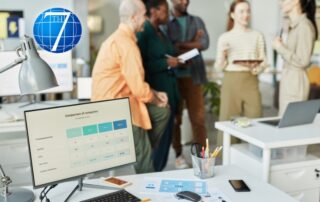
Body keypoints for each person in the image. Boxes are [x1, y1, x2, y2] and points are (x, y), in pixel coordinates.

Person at [91, 0, 170, 174]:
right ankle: (144, 163)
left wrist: (155, 94)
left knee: (163, 112)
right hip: (116, 109)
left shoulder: (117, 39)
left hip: (115, 103)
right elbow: (139, 90)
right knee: (161, 109)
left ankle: (142, 149)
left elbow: (132, 83)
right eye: (144, 15)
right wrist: (157, 99)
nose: (147, 19)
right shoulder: (126, 45)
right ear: (134, 18)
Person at [215, 0, 268, 145]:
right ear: (232, 14)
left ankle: (255, 157)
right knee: (228, 122)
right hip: (231, 81)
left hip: (251, 80)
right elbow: (219, 67)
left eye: (248, 11)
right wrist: (222, 54)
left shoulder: (257, 35)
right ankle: (228, 159)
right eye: (241, 11)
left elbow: (264, 61)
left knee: (256, 120)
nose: (246, 15)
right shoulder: (224, 38)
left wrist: (254, 68)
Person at [137, 0, 181, 171]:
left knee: (166, 140)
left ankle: (157, 175)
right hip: (156, 94)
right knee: (157, 144)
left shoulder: (160, 32)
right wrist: (165, 63)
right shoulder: (144, 32)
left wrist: (174, 61)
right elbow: (140, 66)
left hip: (170, 91)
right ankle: (150, 179)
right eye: (165, 10)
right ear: (153, 10)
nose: (168, 13)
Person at [166, 0, 209, 169]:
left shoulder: (197, 20)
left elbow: (204, 44)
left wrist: (181, 45)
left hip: (194, 76)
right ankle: (178, 154)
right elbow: (168, 47)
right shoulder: (165, 23)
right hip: (173, 77)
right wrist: (193, 42)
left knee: (198, 119)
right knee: (176, 119)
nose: (185, 1)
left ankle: (202, 157)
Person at [273, 0, 317, 115]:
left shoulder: (304, 26)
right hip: (289, 80)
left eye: (283, 0)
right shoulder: (294, 26)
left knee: (290, 123)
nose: (280, 3)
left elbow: (303, 60)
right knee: (284, 120)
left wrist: (280, 47)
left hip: (296, 83)